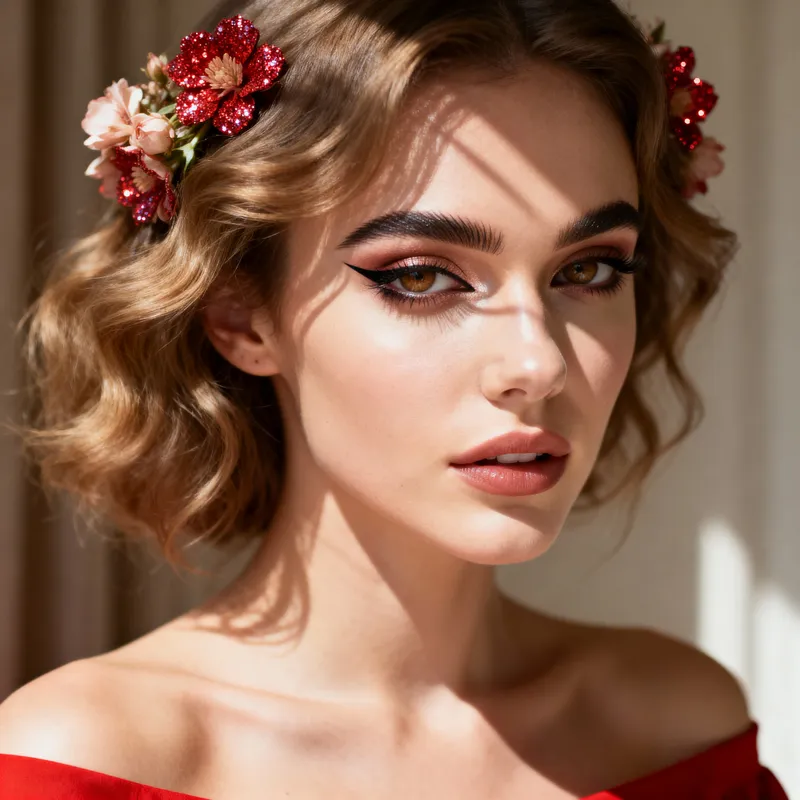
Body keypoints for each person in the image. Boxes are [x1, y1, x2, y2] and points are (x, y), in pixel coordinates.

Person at [0, 0, 789, 797]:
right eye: (420, 277)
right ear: (241, 317)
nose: (538, 361)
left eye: (586, 271)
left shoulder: (674, 732)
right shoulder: (88, 760)